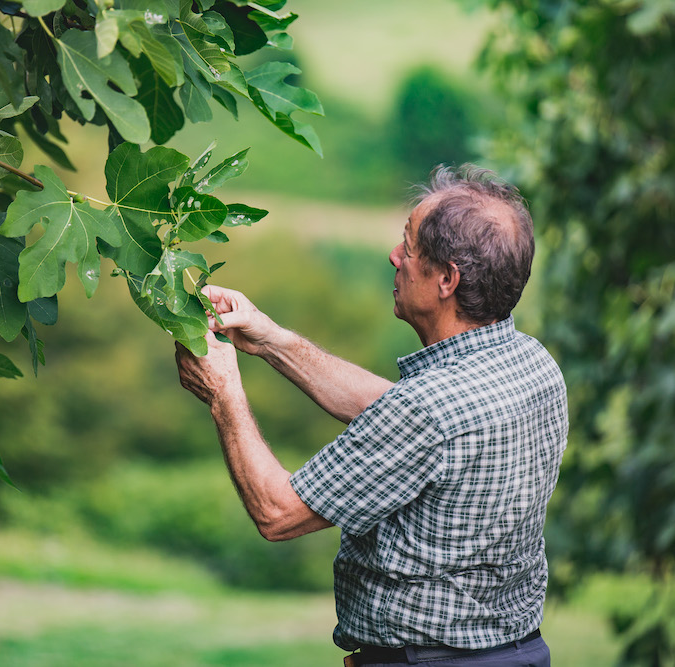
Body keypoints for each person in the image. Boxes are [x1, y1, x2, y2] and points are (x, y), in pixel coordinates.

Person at [175, 165, 568, 667]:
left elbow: (277, 513)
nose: (394, 257)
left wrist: (223, 392)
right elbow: (402, 418)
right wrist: (272, 340)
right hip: (517, 653)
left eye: (409, 248)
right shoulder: (531, 363)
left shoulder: (427, 411)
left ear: (447, 279)